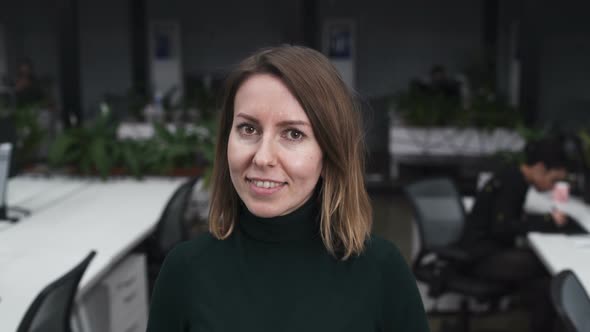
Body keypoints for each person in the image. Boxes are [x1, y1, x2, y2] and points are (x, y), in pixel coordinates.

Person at [146, 45, 429, 332]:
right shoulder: (184, 271)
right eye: (248, 129)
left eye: (293, 134)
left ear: (330, 152)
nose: (263, 157)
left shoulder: (382, 272)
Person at [459, 137, 585, 332]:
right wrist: (546, 221)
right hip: (480, 256)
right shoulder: (513, 182)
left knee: (545, 274)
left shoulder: (514, 176)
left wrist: (542, 221)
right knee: (549, 275)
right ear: (541, 167)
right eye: (554, 180)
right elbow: (502, 228)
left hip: (480, 249)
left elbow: (508, 219)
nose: (553, 187)